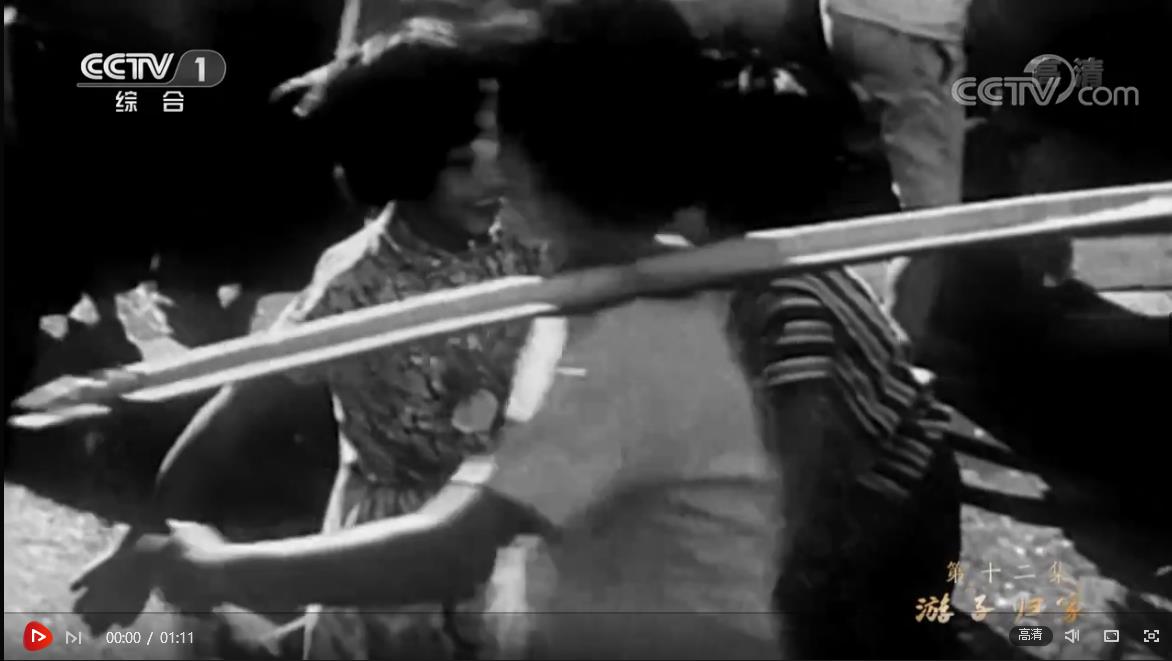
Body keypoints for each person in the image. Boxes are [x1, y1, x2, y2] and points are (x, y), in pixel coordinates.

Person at [71, 18, 543, 660]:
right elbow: (237, 410)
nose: (493, 179)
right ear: (398, 162)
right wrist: (142, 540)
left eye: (499, 151)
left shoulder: (528, 240)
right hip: (383, 568)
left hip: (511, 542)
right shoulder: (356, 284)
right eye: (461, 164)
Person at [818, 0, 973, 361]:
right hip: (908, 31)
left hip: (856, 21)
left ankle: (911, 332)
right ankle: (894, 356)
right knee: (934, 218)